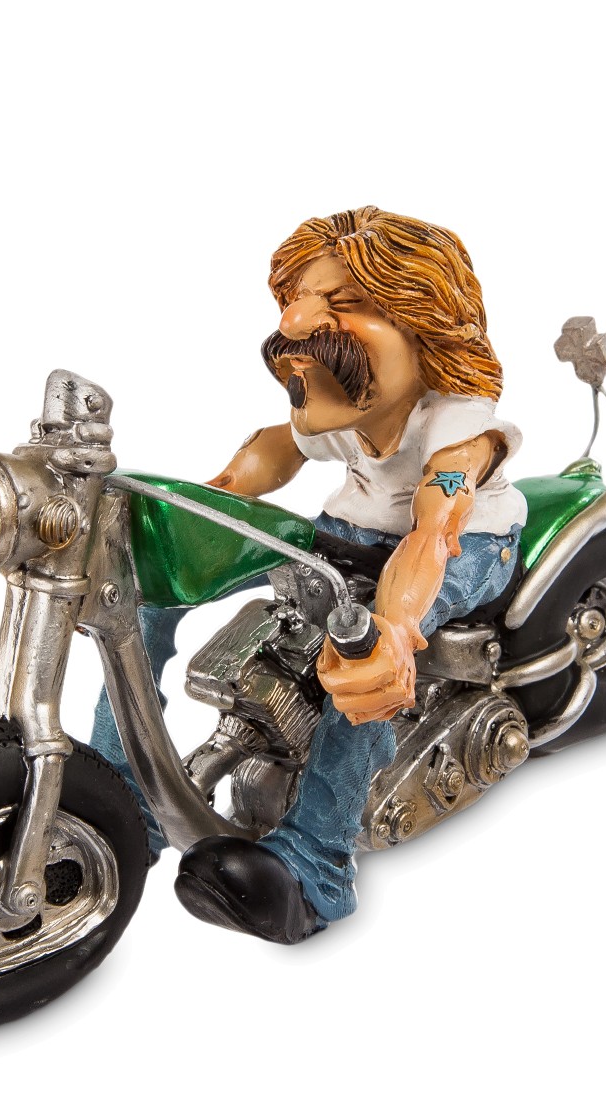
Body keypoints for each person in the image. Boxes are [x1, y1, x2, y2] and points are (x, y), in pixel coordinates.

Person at [93, 207, 526, 944]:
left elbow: (435, 521)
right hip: (343, 536)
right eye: (296, 300)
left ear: (422, 322)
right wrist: (199, 516)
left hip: (461, 547)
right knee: (149, 592)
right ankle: (120, 791)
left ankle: (314, 868)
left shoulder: (458, 423)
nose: (295, 321)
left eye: (342, 302)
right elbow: (275, 449)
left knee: (363, 670)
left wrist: (395, 629)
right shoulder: (344, 401)